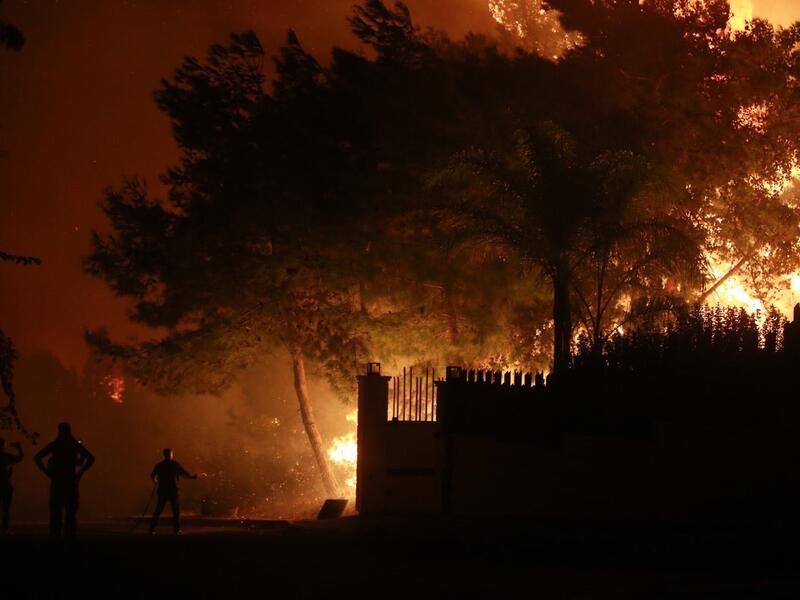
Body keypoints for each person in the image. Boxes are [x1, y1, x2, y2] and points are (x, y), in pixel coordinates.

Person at [34, 423, 95, 537]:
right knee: (70, 513)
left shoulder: (56, 444)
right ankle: (68, 539)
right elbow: (88, 459)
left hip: (58, 481)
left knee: (56, 512)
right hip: (70, 481)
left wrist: (47, 472)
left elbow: (37, 457)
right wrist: (80, 473)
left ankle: (56, 540)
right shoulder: (72, 445)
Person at [149, 448, 197, 535]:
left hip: (163, 491)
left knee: (158, 510)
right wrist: (192, 477)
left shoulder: (160, 465)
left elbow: (152, 475)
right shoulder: (174, 464)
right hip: (173, 491)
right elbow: (183, 473)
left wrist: (155, 480)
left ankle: (152, 529)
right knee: (176, 511)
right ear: (171, 454)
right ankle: (177, 530)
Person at [0, 438, 23, 534]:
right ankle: (4, 528)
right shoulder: (5, 456)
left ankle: (5, 528)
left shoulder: (5, 456)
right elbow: (19, 458)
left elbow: (19, 458)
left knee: (6, 508)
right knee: (6, 508)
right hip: (5, 485)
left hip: (5, 484)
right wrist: (19, 448)